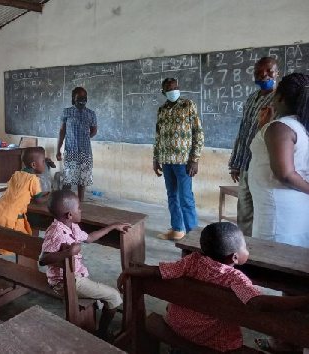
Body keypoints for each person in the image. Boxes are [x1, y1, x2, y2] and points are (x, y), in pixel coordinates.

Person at [117, 222, 309, 352]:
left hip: (176, 325)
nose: (246, 250)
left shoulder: (191, 260)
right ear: (234, 257)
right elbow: (257, 302)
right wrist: (302, 300)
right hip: (214, 341)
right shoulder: (235, 278)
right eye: (245, 247)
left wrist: (130, 271)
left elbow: (159, 272)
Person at [39, 189, 130, 339]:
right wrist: (68, 253)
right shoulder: (56, 232)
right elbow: (43, 259)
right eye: (78, 209)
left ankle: (99, 313)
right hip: (64, 283)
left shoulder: (70, 226)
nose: (81, 211)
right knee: (114, 297)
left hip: (75, 276)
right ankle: (102, 334)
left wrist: (112, 226)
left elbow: (89, 238)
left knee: (101, 291)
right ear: (69, 214)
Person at [248, 72, 309, 248]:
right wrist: (263, 128)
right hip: (291, 210)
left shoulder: (280, 128)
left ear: (280, 97)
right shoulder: (299, 125)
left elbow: (286, 174)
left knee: (273, 262)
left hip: (279, 215)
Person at [229, 57, 280, 236]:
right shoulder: (251, 99)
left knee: (264, 213)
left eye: (269, 71)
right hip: (246, 164)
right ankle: (244, 250)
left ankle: (260, 253)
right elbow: (243, 132)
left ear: (277, 73)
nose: (264, 75)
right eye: (259, 72)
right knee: (244, 211)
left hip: (265, 166)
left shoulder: (281, 99)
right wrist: (235, 163)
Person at [153, 78, 204, 240]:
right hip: (167, 160)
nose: (173, 91)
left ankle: (193, 238)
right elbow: (158, 136)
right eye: (169, 88)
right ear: (163, 92)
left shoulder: (188, 105)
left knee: (186, 198)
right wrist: (156, 158)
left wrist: (194, 159)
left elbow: (198, 132)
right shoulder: (161, 110)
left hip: (184, 162)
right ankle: (177, 229)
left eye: (175, 87)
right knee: (172, 196)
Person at [0, 147, 49, 255]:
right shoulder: (33, 179)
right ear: (34, 165)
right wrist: (50, 195)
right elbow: (39, 200)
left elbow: (21, 191)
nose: (44, 164)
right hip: (11, 216)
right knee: (24, 241)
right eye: (43, 161)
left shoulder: (16, 174)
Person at [56, 87, 97, 202]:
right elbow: (62, 131)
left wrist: (85, 137)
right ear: (74, 98)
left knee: (82, 179)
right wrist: (58, 149)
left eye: (84, 98)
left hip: (85, 151)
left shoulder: (91, 114)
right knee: (68, 179)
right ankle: (64, 202)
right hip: (71, 150)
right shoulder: (67, 112)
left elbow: (94, 131)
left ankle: (80, 203)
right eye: (79, 97)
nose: (82, 100)